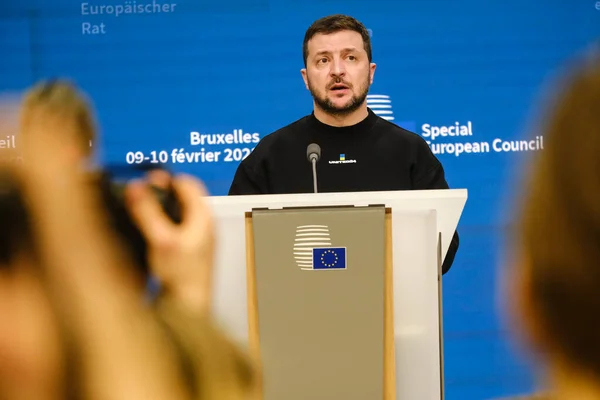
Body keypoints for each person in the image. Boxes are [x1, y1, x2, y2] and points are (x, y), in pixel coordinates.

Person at [228, 14, 459, 274]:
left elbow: (444, 252)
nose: (337, 71)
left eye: (350, 57)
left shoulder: (409, 150)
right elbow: (235, 248)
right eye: (323, 60)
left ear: (370, 72)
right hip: (296, 309)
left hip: (391, 310)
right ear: (305, 78)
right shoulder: (269, 155)